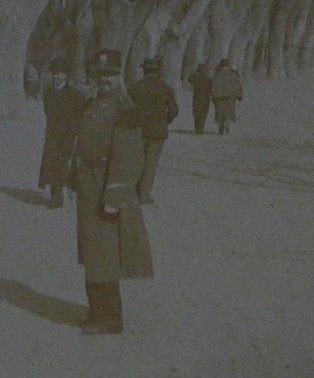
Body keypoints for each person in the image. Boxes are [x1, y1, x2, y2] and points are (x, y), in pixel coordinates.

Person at [68, 49, 152, 335]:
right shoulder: (94, 103)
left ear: (119, 76)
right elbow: (82, 144)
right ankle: (96, 311)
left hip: (106, 191)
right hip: (88, 188)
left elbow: (129, 156)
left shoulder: (124, 109)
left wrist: (115, 194)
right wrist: (72, 178)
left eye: (108, 75)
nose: (102, 80)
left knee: (104, 255)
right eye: (98, 75)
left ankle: (110, 318)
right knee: (92, 254)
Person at [127, 56, 179, 205]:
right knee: (151, 163)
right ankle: (144, 195)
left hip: (138, 130)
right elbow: (174, 109)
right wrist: (166, 120)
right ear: (157, 71)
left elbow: (127, 109)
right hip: (158, 131)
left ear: (144, 71)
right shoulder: (165, 87)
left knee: (136, 160)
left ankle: (132, 191)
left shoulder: (134, 87)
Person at [37, 57, 86, 208]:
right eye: (54, 73)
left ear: (66, 75)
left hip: (68, 135)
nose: (56, 76)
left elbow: (80, 115)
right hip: (52, 133)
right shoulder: (49, 93)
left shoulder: (75, 94)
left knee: (62, 163)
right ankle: (54, 194)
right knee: (50, 162)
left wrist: (75, 132)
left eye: (60, 73)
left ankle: (57, 196)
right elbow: (48, 111)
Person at [211, 58, 244, 135]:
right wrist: (239, 95)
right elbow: (236, 85)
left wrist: (213, 96)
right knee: (229, 112)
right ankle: (227, 123)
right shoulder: (233, 75)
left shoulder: (217, 75)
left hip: (219, 98)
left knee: (220, 112)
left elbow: (214, 86)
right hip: (230, 97)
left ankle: (220, 125)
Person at [186, 62, 213, 135]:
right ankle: (201, 128)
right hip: (205, 98)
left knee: (196, 113)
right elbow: (211, 88)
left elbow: (189, 79)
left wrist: (195, 73)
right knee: (203, 113)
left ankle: (197, 128)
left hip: (197, 98)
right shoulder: (208, 79)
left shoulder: (196, 78)